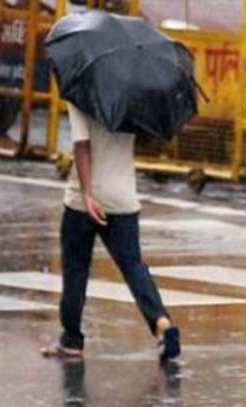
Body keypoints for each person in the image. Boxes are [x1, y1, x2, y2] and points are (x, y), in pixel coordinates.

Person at [41, 104, 181, 361]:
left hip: (82, 202)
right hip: (123, 198)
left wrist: (87, 193)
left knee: (76, 270)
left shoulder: (80, 97)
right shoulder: (128, 99)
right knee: (133, 266)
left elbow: (82, 145)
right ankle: (162, 324)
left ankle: (72, 340)